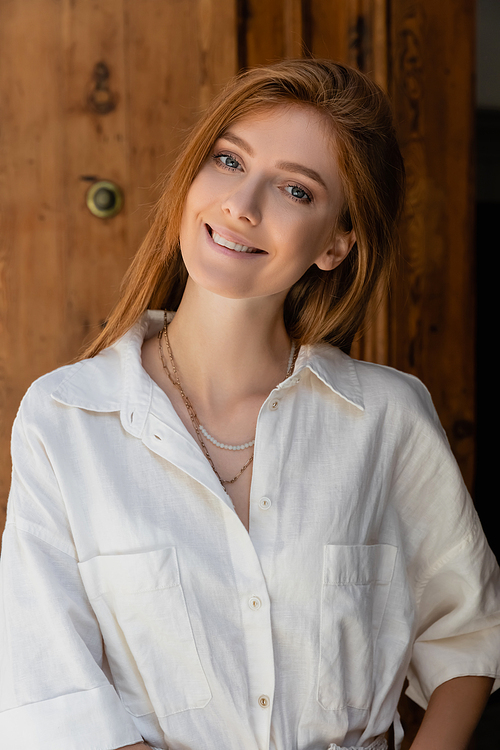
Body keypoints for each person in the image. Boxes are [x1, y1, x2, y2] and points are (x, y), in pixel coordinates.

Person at [0, 58, 499, 750]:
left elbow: (467, 635)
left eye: (296, 188)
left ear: (336, 244)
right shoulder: (67, 419)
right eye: (230, 161)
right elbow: (50, 683)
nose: (243, 203)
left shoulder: (387, 418)